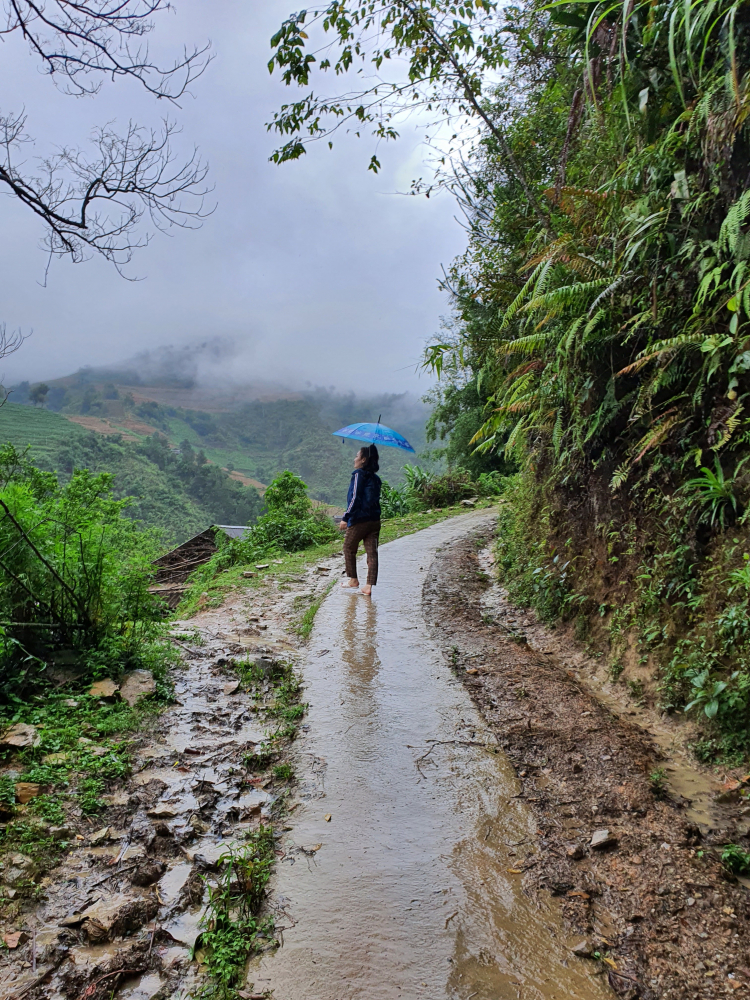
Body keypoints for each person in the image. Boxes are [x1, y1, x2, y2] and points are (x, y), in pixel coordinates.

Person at [339, 445, 381, 596]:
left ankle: (353, 580)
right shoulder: (376, 479)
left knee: (348, 547)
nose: (354, 459)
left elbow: (355, 497)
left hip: (359, 520)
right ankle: (368, 585)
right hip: (375, 520)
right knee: (372, 553)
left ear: (363, 459)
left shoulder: (358, 475)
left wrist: (346, 517)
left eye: (357, 456)